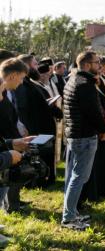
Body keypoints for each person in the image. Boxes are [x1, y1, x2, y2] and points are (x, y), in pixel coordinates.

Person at [61, 51, 105, 230]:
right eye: (97, 63)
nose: (100, 66)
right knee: (79, 177)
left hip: (75, 134)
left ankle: (70, 211)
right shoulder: (85, 84)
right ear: (88, 65)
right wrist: (103, 129)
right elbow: (93, 112)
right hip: (83, 136)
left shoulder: (73, 80)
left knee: (74, 176)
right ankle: (68, 218)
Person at [15, 54, 61, 187]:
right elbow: (23, 109)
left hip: (41, 128)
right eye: (35, 64)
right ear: (27, 66)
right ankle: (37, 181)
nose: (38, 67)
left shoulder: (29, 82)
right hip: (34, 130)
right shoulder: (22, 84)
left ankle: (43, 178)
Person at [80, 57, 105, 204]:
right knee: (98, 160)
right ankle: (96, 190)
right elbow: (97, 105)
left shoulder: (104, 80)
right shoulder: (94, 83)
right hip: (99, 127)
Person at [0, 56, 30, 214]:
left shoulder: (4, 94)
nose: (21, 83)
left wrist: (14, 142)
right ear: (12, 76)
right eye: (21, 78)